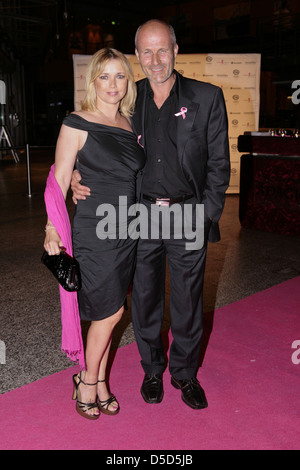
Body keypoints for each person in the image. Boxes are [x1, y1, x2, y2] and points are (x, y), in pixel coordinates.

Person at [71, 20, 230, 410]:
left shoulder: (207, 97)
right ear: (137, 55)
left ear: (176, 50)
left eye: (162, 50)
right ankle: (152, 370)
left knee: (188, 301)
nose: (155, 59)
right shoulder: (127, 99)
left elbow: (219, 165)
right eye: (146, 51)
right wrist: (77, 173)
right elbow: (92, 136)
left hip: (187, 213)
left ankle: (185, 374)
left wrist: (206, 214)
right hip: (139, 216)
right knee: (144, 299)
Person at [43, 48, 145, 420]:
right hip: (95, 229)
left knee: (114, 309)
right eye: (105, 76)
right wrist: (52, 227)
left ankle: (100, 381)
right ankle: (86, 381)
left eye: (120, 76)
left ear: (128, 83)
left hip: (129, 228)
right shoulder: (76, 122)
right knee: (110, 309)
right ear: (93, 81)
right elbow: (60, 177)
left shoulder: (130, 124)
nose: (112, 84)